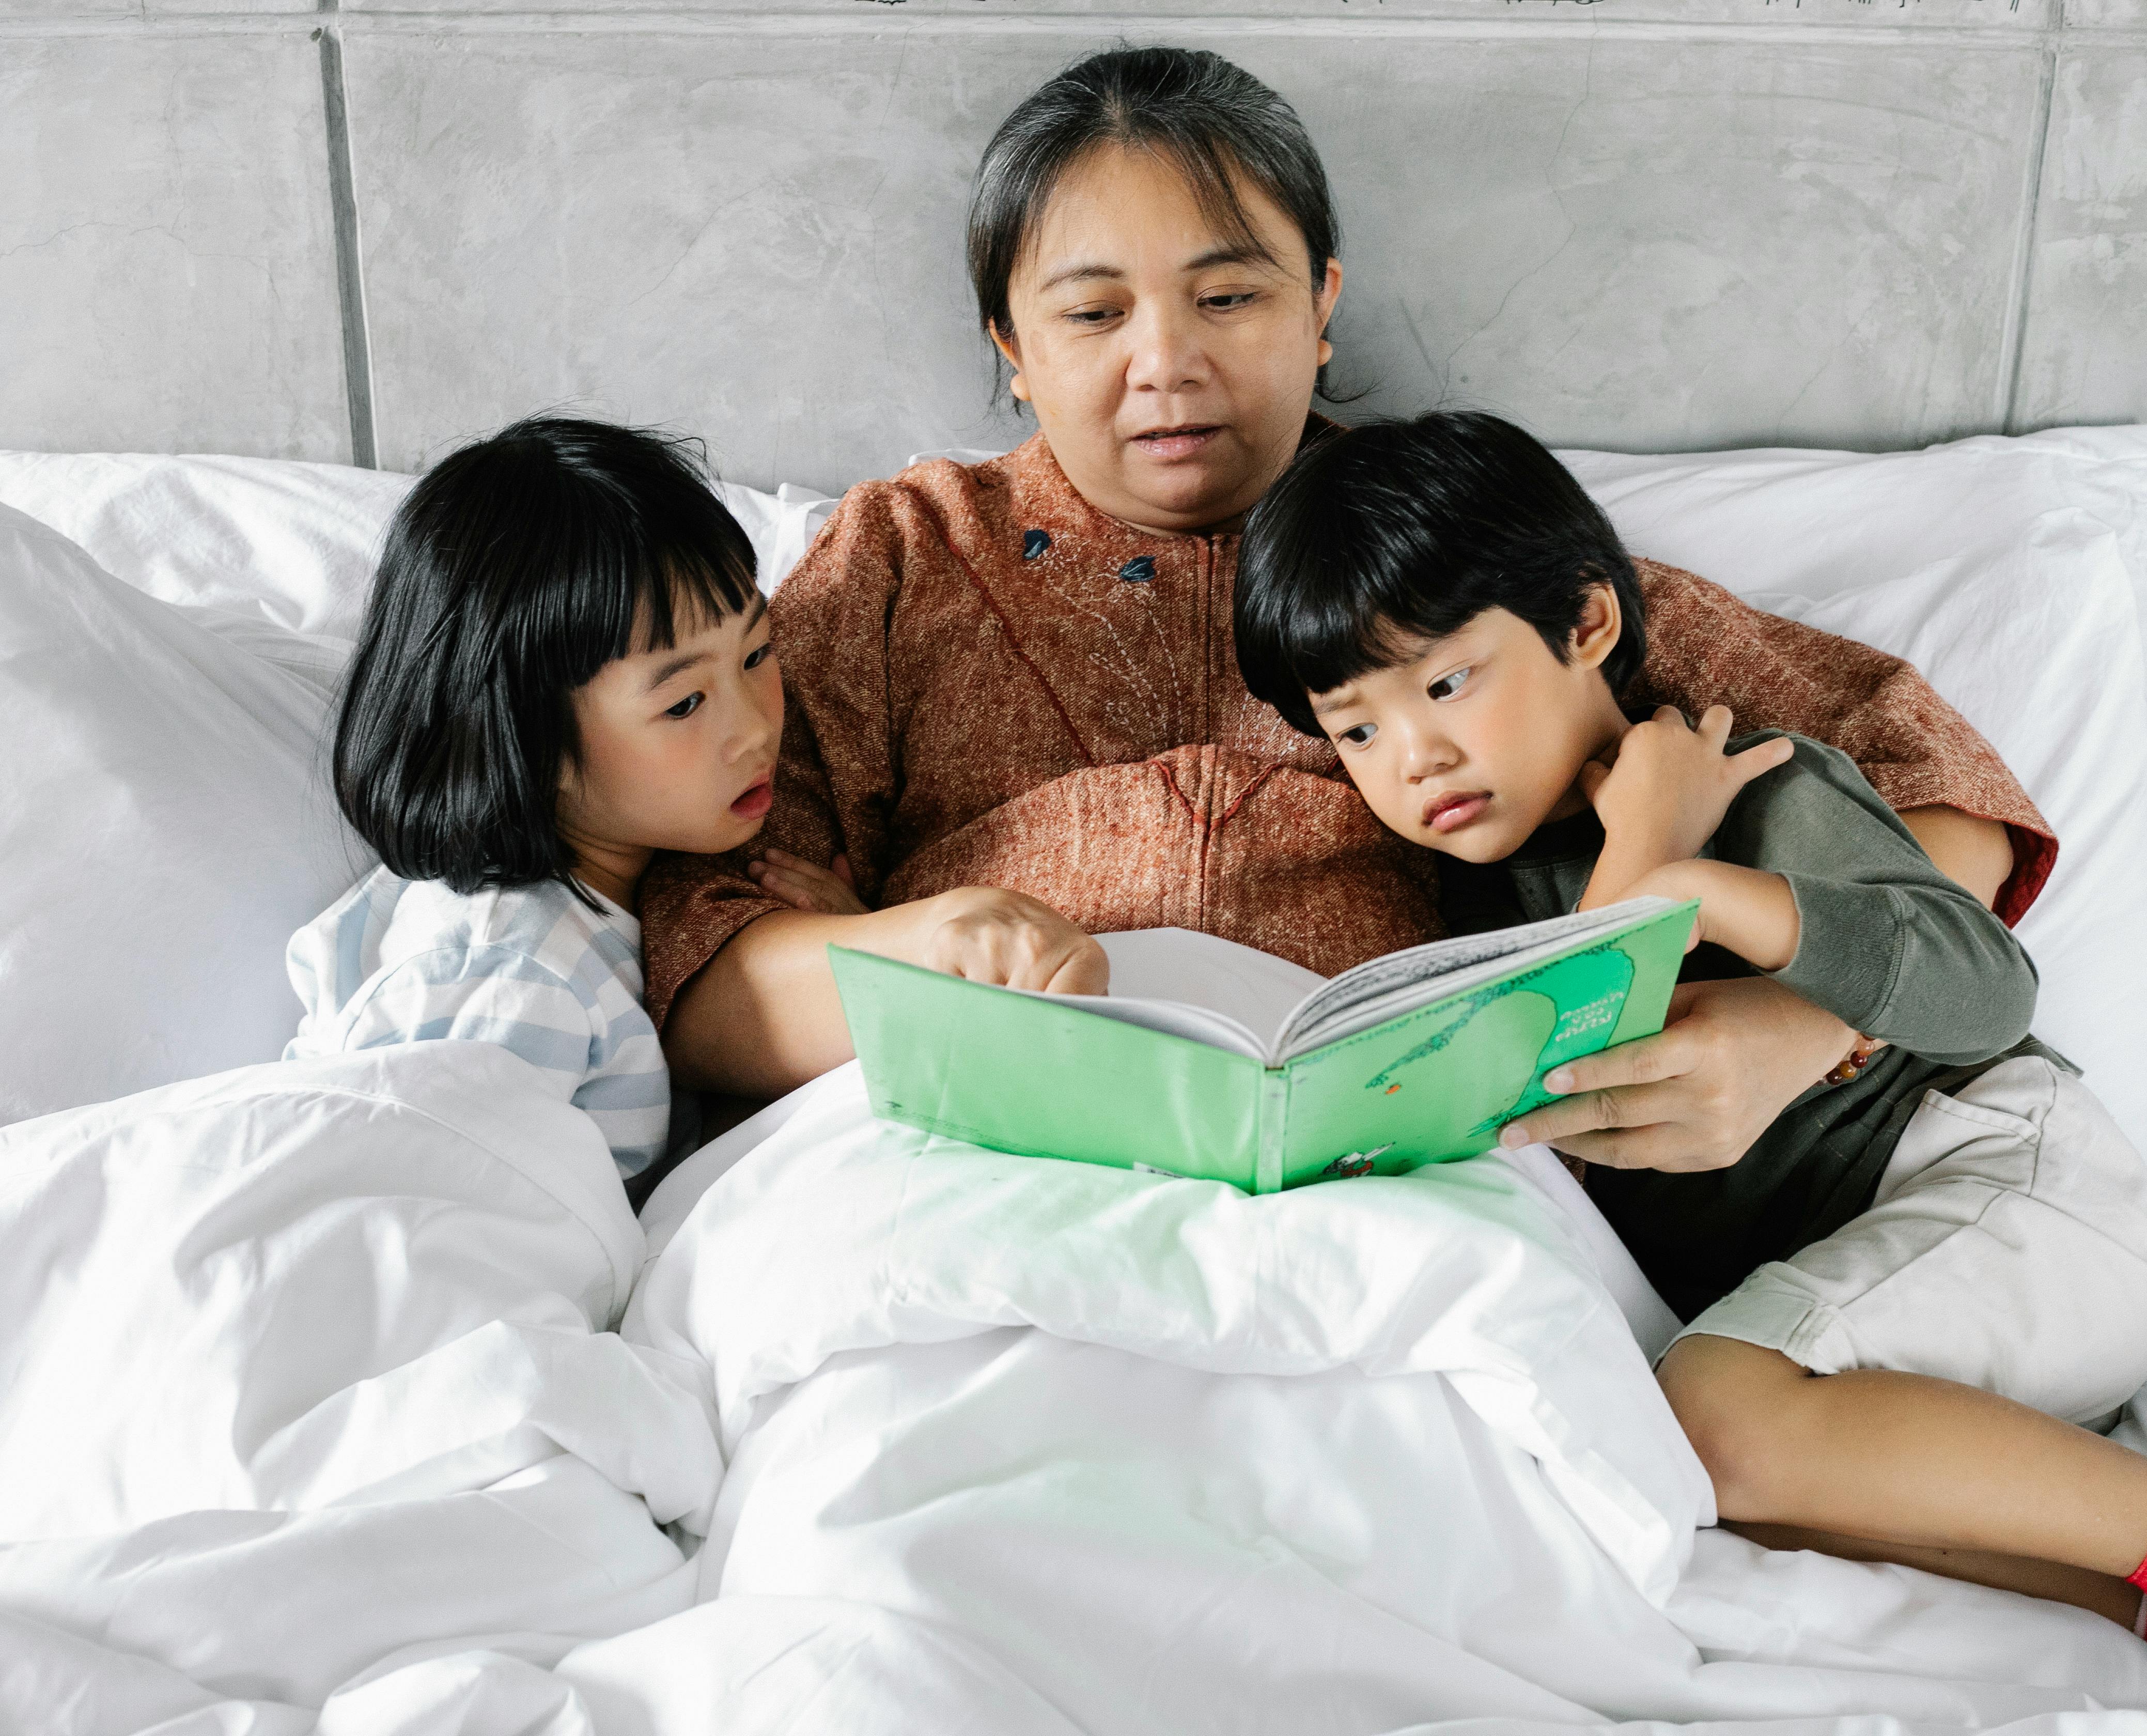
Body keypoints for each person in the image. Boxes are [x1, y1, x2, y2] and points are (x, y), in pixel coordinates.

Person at [644, 47, 2056, 1201]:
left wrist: (1790, 1036)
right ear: (1013, 352)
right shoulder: (907, 555)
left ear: (1322, 307)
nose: (1166, 367)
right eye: (1090, 316)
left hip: (1399, 1180)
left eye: (1229, 296)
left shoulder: (1443, 538)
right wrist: (939, 951)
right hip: (970, 1159)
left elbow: (1939, 783)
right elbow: (709, 962)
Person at [1232, 408, 2147, 1736]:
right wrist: (1637, 855)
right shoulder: (1471, 904)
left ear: (1588, 625)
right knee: (1710, 1475)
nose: (1412, 758)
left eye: (1444, 686)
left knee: (1712, 1417)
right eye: (1355, 732)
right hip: (1885, 1334)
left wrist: (1708, 882)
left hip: (2013, 1196)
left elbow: (1988, 982)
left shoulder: (1767, 788)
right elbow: (1563, 1084)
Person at [285, 416, 858, 1184]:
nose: (756, 728)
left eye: (758, 654)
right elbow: (440, 1242)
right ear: (530, 738)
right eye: (685, 704)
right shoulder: (505, 973)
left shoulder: (632, 892)